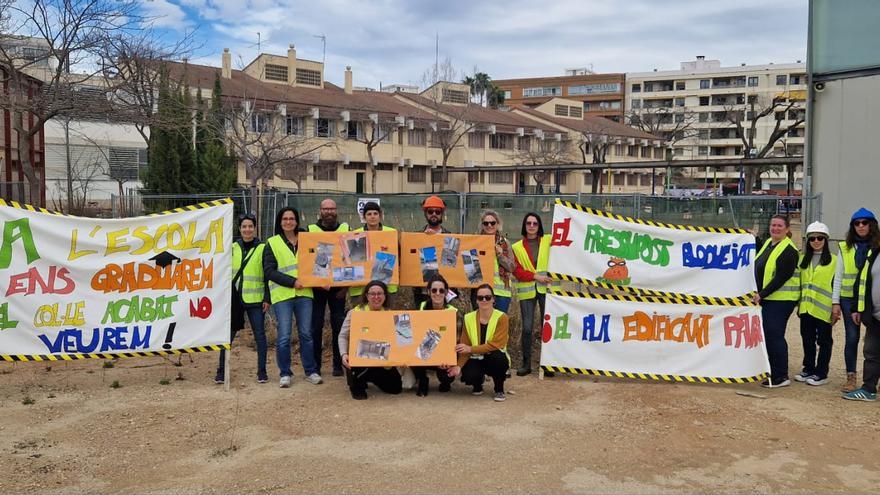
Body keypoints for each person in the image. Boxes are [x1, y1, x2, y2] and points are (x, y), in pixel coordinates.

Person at [263, 207, 320, 388]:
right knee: (284, 336)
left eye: (292, 218)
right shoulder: (272, 243)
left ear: (296, 221)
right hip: (283, 295)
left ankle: (311, 371)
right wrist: (292, 282)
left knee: (306, 334)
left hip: (305, 294)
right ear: (280, 222)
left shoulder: (306, 240)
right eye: (285, 219)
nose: (288, 221)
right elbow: (269, 271)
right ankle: (285, 373)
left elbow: (318, 262)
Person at [215, 213, 270, 384]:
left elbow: (267, 274)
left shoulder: (263, 247)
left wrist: (267, 298)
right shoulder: (232, 248)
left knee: (260, 336)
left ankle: (262, 372)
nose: (247, 229)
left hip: (256, 300)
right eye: (244, 226)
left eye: (250, 226)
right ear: (239, 229)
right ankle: (221, 372)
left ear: (255, 228)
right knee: (227, 338)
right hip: (235, 300)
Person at [832, 208, 880, 392]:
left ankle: (874, 378)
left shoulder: (877, 247)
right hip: (848, 300)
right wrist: (836, 302)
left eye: (864, 223)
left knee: (875, 341)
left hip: (870, 300)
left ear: (872, 225)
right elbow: (838, 277)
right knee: (852, 338)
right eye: (856, 223)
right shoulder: (845, 247)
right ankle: (851, 376)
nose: (861, 226)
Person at [753, 214, 800, 388]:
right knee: (769, 334)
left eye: (780, 226)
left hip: (781, 300)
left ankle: (781, 375)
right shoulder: (770, 243)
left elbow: (781, 277)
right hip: (770, 298)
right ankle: (773, 370)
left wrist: (762, 294)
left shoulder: (788, 250)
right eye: (773, 225)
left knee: (774, 334)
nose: (775, 228)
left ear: (787, 229)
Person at [511, 213, 558, 377]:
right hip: (528, 291)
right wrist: (536, 276)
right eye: (529, 223)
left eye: (535, 223)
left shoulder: (548, 240)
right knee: (527, 328)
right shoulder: (516, 247)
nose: (532, 226)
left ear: (539, 226)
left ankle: (548, 364)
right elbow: (516, 271)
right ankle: (526, 364)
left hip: (546, 290)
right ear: (524, 225)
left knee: (548, 327)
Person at [338, 280, 403, 400]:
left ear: (385, 296)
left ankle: (370, 375)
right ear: (366, 295)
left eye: (380, 293)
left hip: (383, 359)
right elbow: (342, 336)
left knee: (396, 388)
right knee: (359, 394)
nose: (376, 297)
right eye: (372, 294)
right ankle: (356, 379)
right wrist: (343, 354)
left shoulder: (391, 314)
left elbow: (402, 338)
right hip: (360, 358)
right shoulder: (354, 313)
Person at [308, 198, 350, 377]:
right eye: (326, 209)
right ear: (320, 210)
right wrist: (315, 282)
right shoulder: (310, 230)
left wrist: (346, 287)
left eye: (332, 208)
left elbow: (351, 259)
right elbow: (306, 260)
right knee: (315, 327)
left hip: (339, 288)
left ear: (337, 210)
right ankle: (315, 366)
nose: (329, 212)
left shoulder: (346, 230)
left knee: (339, 327)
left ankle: (338, 365)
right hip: (318, 287)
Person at [447, 284, 510, 402]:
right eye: (480, 298)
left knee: (499, 360)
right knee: (468, 373)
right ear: (476, 300)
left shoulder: (502, 317)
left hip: (494, 357)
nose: (484, 300)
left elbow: (496, 345)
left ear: (493, 299)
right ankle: (477, 385)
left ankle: (499, 389)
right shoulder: (468, 318)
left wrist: (470, 349)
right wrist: (458, 366)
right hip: (476, 358)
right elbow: (464, 346)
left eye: (487, 297)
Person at [795, 222, 837, 386]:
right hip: (806, 308)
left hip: (824, 309)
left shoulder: (834, 261)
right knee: (807, 339)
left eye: (820, 238)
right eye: (812, 238)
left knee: (824, 342)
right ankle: (808, 369)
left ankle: (821, 373)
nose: (816, 241)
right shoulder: (802, 260)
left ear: (826, 240)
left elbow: (837, 285)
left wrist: (836, 306)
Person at [412, 275, 459, 396]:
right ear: (428, 292)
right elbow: (416, 334)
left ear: (446, 292)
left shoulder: (453, 311)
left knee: (447, 376)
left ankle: (445, 383)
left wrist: (447, 357)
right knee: (412, 351)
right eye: (434, 290)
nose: (437, 293)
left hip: (445, 352)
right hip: (426, 349)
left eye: (441, 290)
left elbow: (457, 339)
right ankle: (423, 380)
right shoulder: (422, 307)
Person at [845, 241, 880, 401]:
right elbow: (862, 282)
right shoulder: (873, 254)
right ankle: (868, 389)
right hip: (875, 316)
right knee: (871, 353)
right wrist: (856, 308)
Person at [348, 201, 399, 305]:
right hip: (360, 288)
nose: (372, 217)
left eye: (375, 214)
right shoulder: (355, 235)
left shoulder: (391, 233)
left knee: (385, 319)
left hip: (387, 286)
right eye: (369, 214)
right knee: (362, 319)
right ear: (364, 217)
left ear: (380, 216)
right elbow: (350, 260)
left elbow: (400, 257)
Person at [470, 210, 514, 313]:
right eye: (486, 223)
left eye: (492, 223)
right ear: (482, 225)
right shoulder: (476, 242)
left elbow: (511, 267)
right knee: (482, 325)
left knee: (498, 324)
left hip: (501, 292)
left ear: (498, 224)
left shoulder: (505, 243)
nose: (489, 225)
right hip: (480, 291)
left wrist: (500, 255)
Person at [413, 195, 452, 309]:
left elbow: (451, 263)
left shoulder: (450, 237)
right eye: (430, 211)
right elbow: (411, 261)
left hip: (444, 290)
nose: (434, 214)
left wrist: (437, 240)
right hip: (422, 290)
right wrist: (426, 240)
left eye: (437, 211)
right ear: (426, 214)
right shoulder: (416, 237)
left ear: (442, 214)